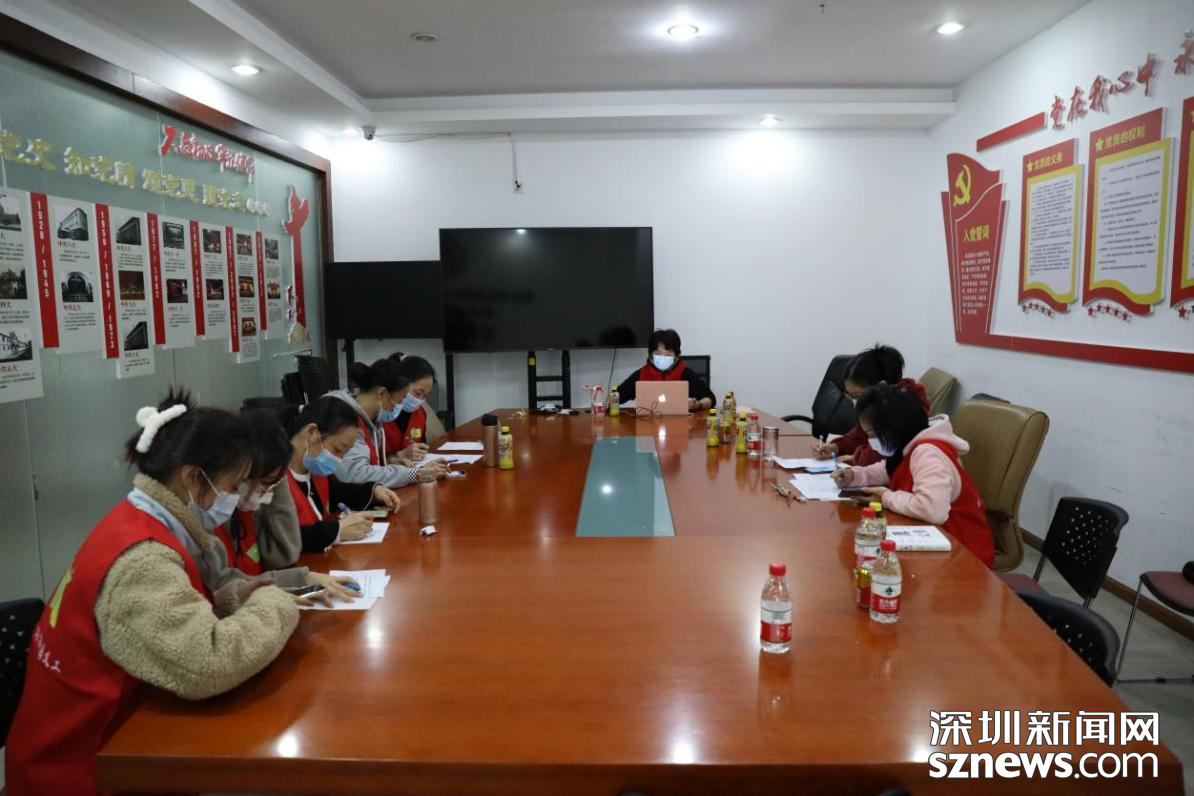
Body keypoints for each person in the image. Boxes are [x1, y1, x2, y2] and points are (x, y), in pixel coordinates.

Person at [6, 392, 308, 794]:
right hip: (81, 769)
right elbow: (209, 664)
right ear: (192, 478)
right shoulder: (142, 559)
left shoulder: (136, 521)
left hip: (111, 742)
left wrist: (232, 597)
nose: (237, 498)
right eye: (233, 485)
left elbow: (165, 615)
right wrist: (274, 602)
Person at [831, 385, 994, 568]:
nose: (871, 441)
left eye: (873, 434)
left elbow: (932, 509)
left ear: (893, 428)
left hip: (964, 553)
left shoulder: (928, 453)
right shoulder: (908, 446)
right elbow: (887, 470)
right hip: (934, 541)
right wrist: (854, 475)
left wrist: (886, 498)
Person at [283, 397, 401, 552]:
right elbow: (282, 537)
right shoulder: (272, 479)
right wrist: (336, 531)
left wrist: (373, 491)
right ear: (311, 432)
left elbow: (336, 493)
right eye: (337, 449)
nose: (338, 460)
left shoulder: (314, 469)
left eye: (345, 453)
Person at [329, 358, 447, 487]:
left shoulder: (373, 420)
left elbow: (370, 465)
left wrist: (391, 462)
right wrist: (414, 474)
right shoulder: (342, 417)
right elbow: (355, 474)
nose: (400, 406)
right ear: (382, 393)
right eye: (401, 399)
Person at [811, 344, 929, 466]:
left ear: (882, 386)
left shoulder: (904, 410)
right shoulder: (879, 405)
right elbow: (858, 435)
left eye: (858, 395)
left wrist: (855, 458)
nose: (856, 402)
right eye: (850, 396)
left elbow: (880, 454)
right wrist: (836, 447)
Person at [614, 328, 715, 411]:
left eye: (668, 354)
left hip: (679, 426)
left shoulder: (686, 374)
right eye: (658, 354)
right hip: (648, 425)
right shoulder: (642, 373)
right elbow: (618, 395)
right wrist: (611, 398)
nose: (662, 358)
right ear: (650, 355)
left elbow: (711, 398)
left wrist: (697, 404)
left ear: (676, 356)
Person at [382, 353, 436, 465]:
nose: (420, 400)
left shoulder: (419, 413)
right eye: (418, 393)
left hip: (413, 470)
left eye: (426, 395)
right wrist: (400, 456)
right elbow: (368, 463)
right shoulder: (381, 413)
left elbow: (422, 447)